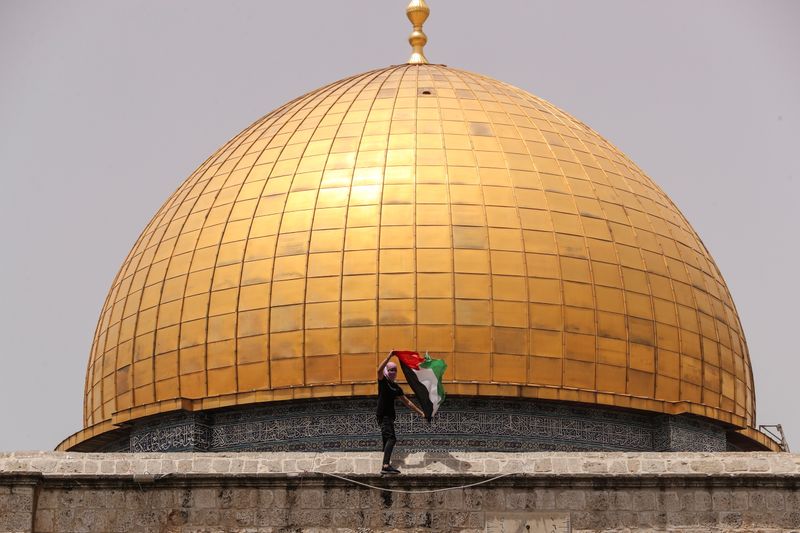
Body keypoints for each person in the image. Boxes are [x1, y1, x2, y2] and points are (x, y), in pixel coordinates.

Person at [376, 350, 425, 475]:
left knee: (387, 439)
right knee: (391, 438)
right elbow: (378, 371)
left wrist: (421, 413)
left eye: (395, 370)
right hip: (383, 415)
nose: (393, 372)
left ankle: (385, 462)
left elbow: (407, 402)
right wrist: (389, 356)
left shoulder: (396, 387)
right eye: (390, 369)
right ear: (387, 371)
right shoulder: (383, 381)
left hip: (390, 416)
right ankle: (385, 465)